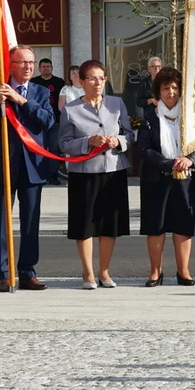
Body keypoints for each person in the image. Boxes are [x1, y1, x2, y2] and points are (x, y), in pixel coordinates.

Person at [0, 45, 55, 292]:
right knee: (0, 221)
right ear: (10, 65)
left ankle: (27, 271)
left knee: (31, 221)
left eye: (31, 63)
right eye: (22, 62)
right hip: (3, 165)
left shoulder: (40, 91)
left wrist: (22, 100)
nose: (28, 67)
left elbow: (47, 121)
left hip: (33, 165)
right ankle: (2, 274)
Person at [58, 60, 134, 289]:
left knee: (109, 223)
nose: (97, 83)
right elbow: (63, 143)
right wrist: (87, 142)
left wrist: (118, 141)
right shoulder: (71, 109)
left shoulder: (117, 103)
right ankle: (88, 272)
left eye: (101, 78)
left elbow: (130, 135)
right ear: (81, 82)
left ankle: (104, 271)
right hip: (84, 172)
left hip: (113, 170)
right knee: (85, 223)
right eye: (92, 78)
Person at [138, 66, 195, 286]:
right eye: (166, 88)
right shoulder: (149, 117)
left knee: (183, 224)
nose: (171, 92)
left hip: (186, 177)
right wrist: (169, 163)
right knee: (156, 225)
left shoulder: (191, 116)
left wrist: (189, 159)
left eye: (175, 88)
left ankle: (183, 271)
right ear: (159, 91)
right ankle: (155, 272)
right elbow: (144, 149)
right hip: (156, 178)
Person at [32, 58, 66, 185]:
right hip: (38, 121)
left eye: (48, 66)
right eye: (43, 67)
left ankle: (53, 175)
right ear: (39, 68)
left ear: (51, 68)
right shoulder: (34, 82)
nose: (46, 69)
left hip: (55, 121)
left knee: (54, 149)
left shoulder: (59, 82)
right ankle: (39, 175)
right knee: (38, 148)